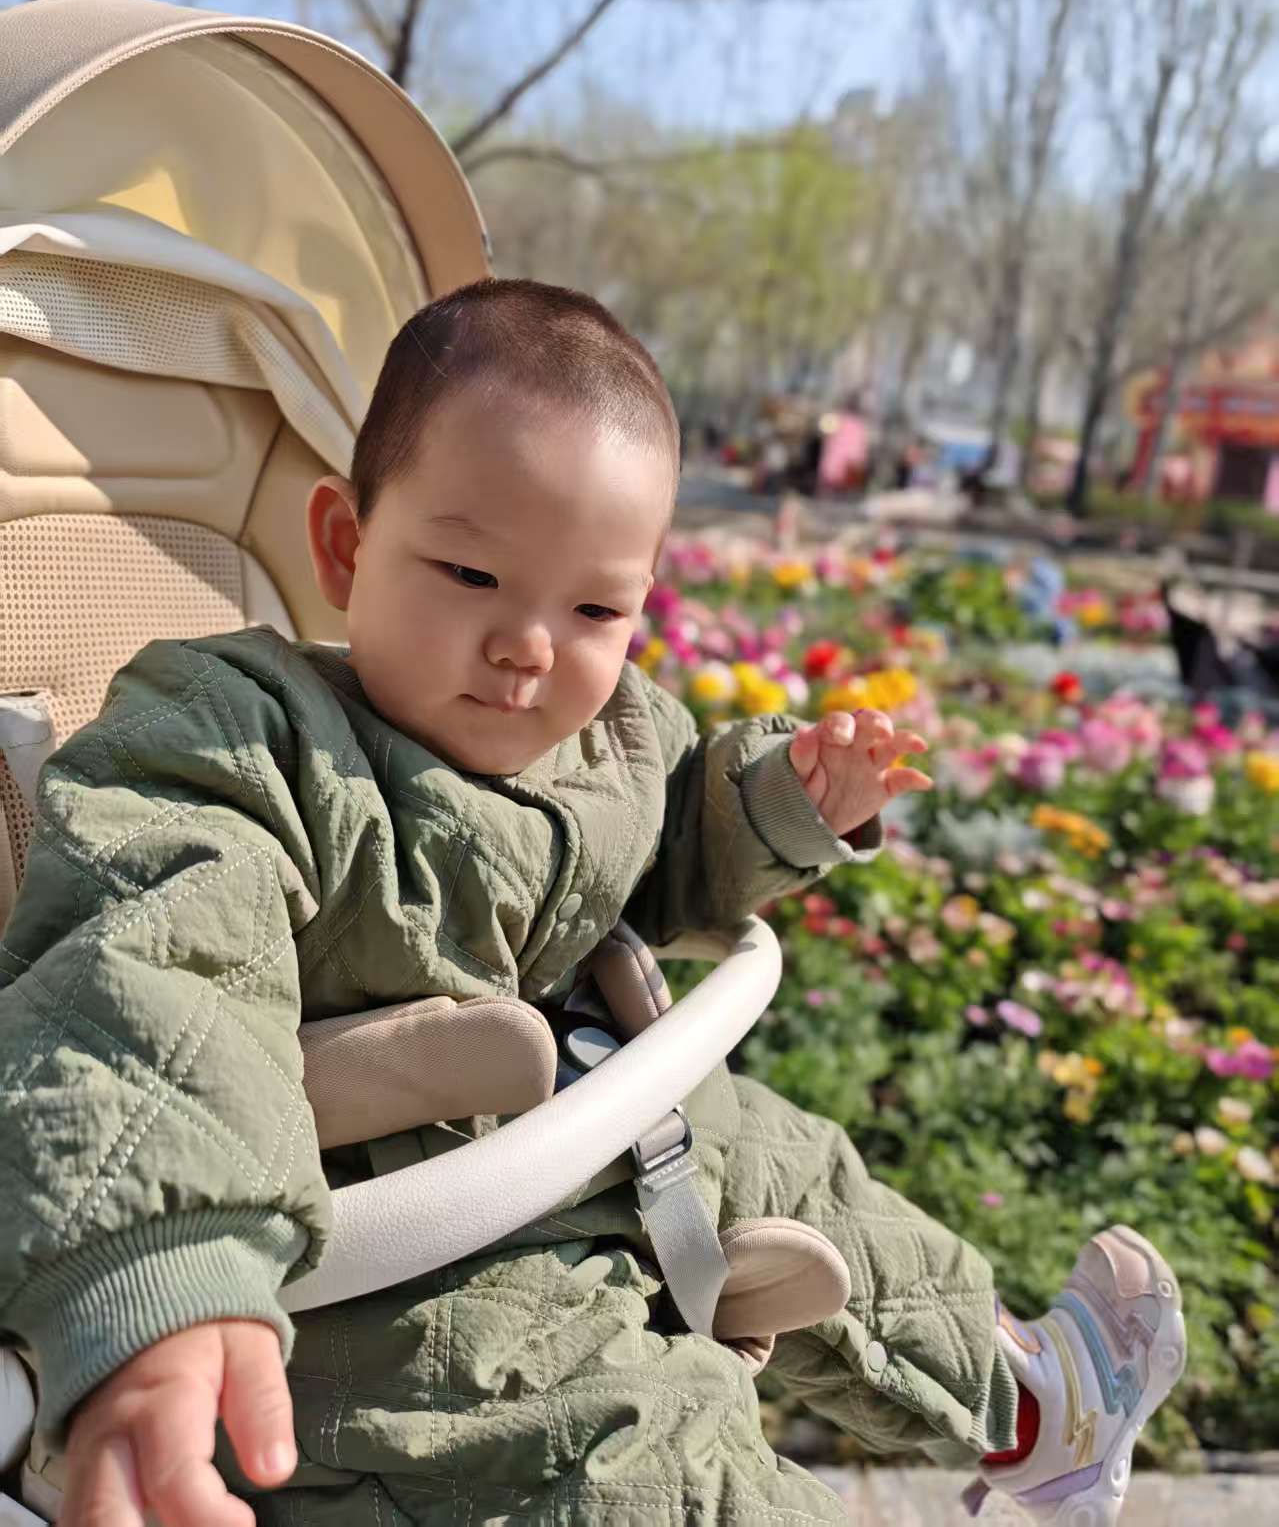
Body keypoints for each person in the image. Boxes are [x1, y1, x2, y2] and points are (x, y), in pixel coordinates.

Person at [0, 280, 1184, 1526]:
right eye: (470, 572)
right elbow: (154, 972)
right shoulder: (238, 737)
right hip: (423, 1277)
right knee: (649, 1465)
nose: (528, 645)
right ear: (345, 545)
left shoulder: (612, 738)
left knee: (808, 1175)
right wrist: (163, 1273)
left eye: (595, 609)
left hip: (604, 1115)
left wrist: (784, 801)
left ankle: (1038, 1406)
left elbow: (672, 845)